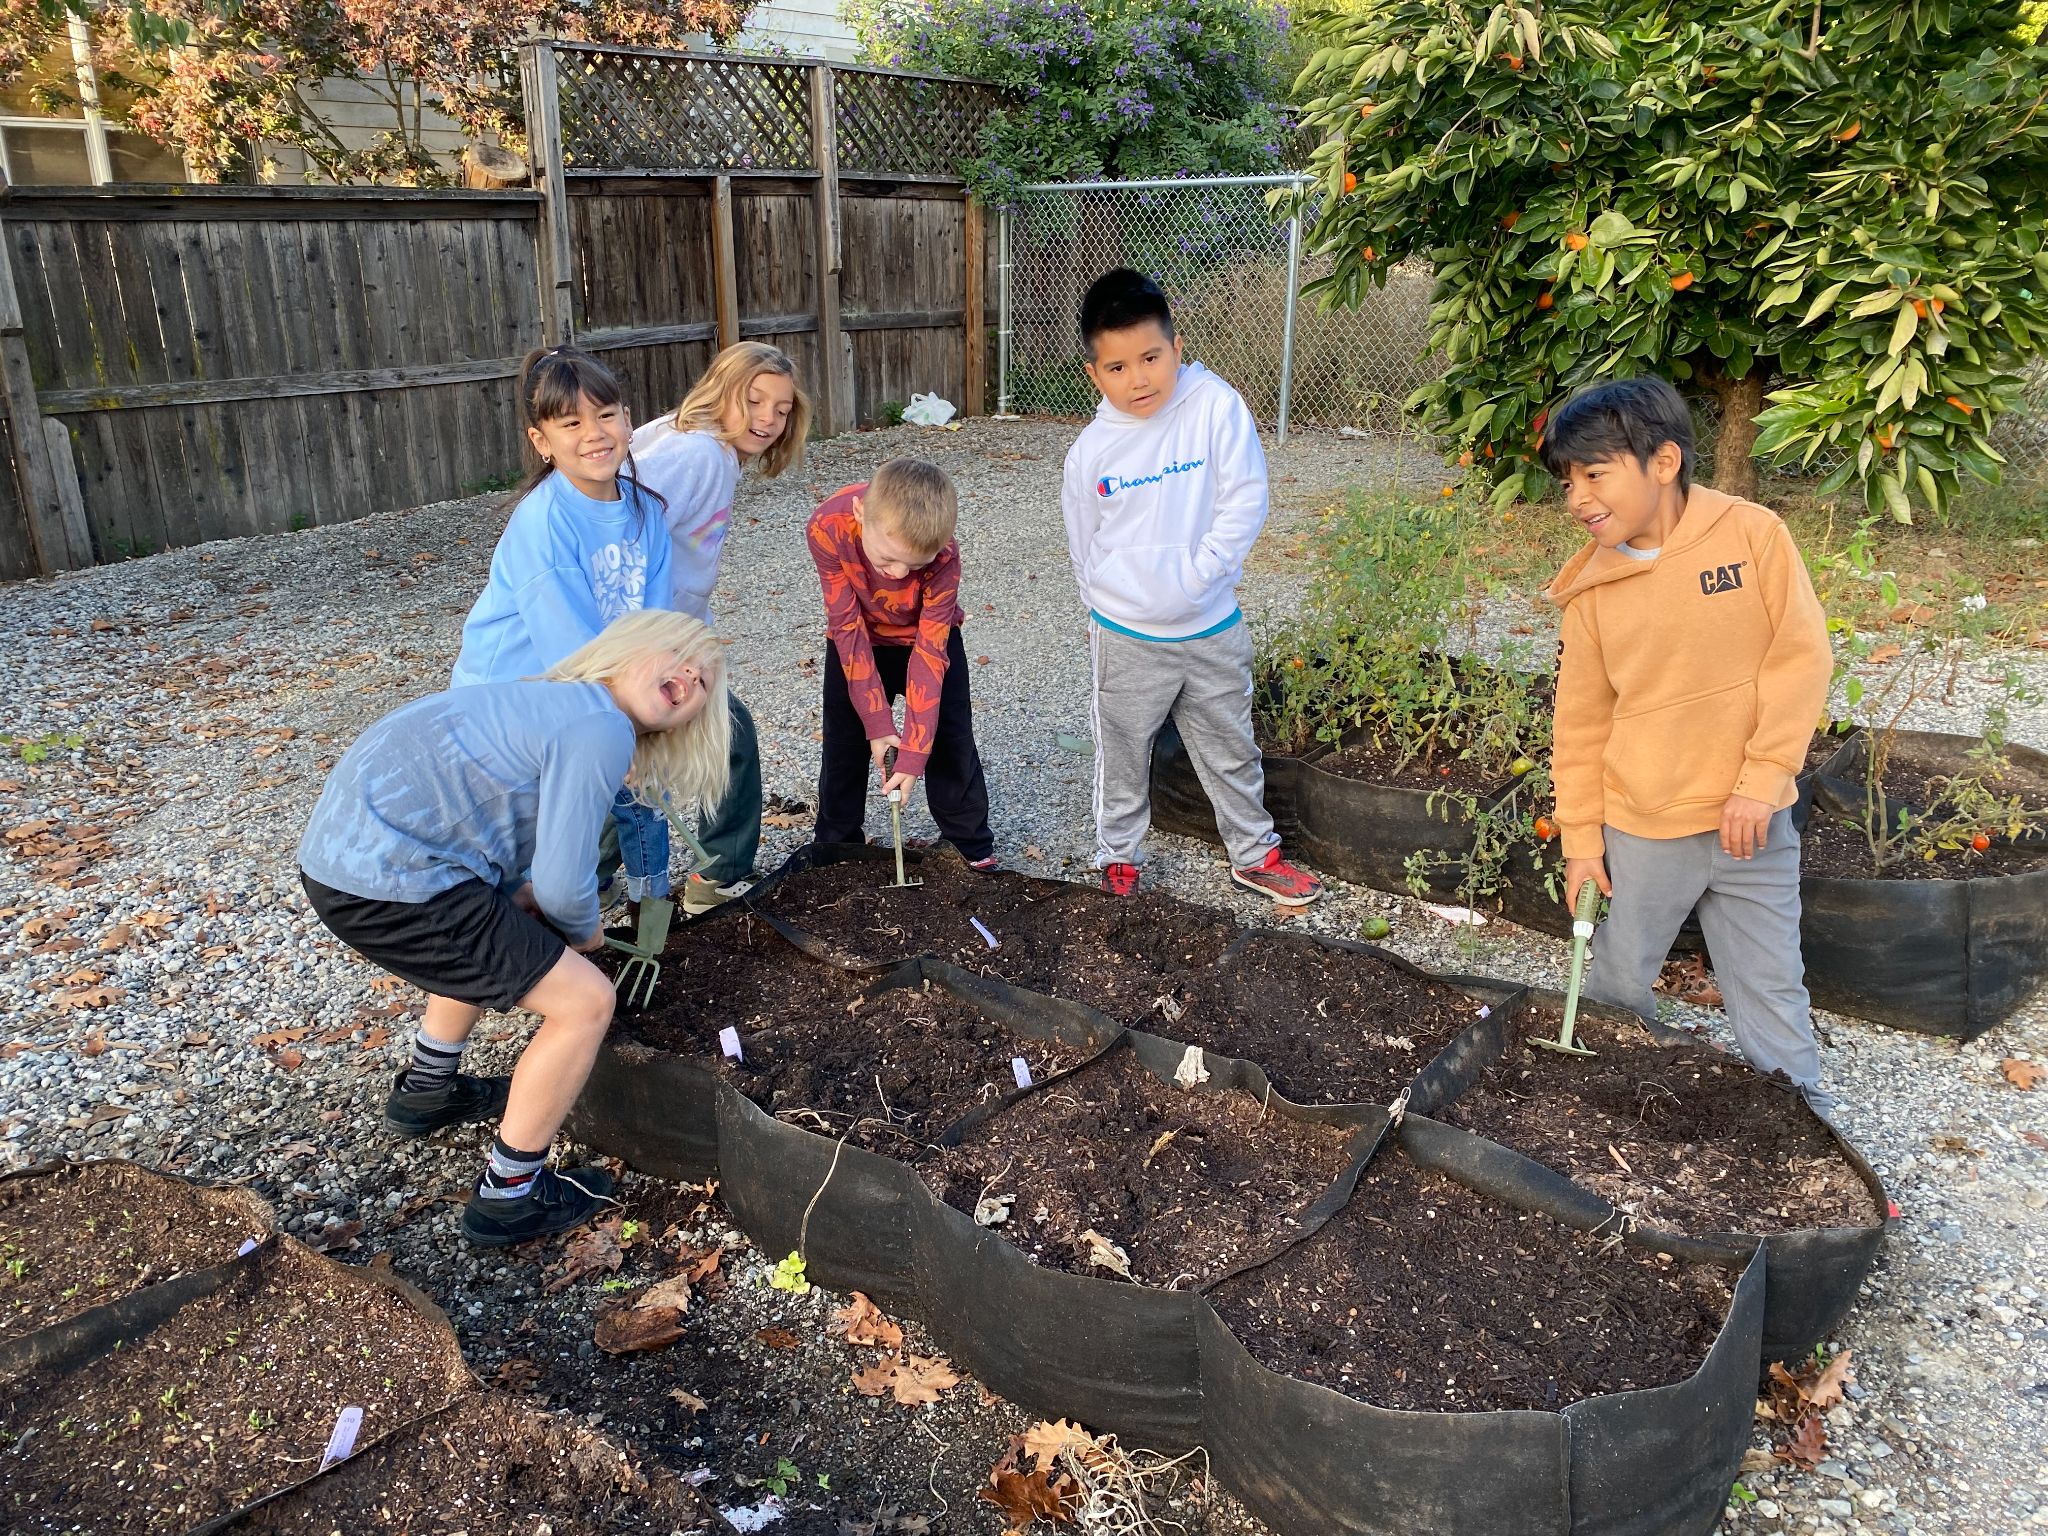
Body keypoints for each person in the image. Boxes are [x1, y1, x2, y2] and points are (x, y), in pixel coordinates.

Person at [299, 610, 734, 1245]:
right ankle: (509, 1196)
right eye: (678, 656)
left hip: (341, 862)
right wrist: (585, 939)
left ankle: (427, 1092)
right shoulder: (601, 728)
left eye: (705, 682)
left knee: (497, 921)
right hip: (392, 879)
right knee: (587, 1002)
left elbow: (492, 838)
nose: (690, 675)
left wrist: (519, 899)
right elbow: (564, 885)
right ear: (624, 652)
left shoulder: (550, 703)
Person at [1543, 375, 1836, 1118]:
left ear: (1664, 462)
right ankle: (1600, 1111)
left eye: (1595, 474)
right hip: (1644, 830)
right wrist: (1582, 842)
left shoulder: (1752, 536)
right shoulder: (1592, 594)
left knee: (1771, 986)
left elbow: (1800, 660)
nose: (1578, 498)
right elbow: (1579, 725)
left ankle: (1803, 1127)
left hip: (1752, 827)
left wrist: (1763, 781)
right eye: (1569, 482)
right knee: (1618, 980)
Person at [1060, 267, 1321, 906]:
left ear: (1176, 347)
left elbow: (1244, 499)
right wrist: (1106, 603)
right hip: (1127, 635)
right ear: (1095, 374)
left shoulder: (1214, 407)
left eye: (1151, 357)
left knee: (1231, 745)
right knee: (1123, 751)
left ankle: (1254, 855)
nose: (1139, 378)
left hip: (1210, 624)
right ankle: (1119, 855)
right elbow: (1084, 542)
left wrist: (1200, 575)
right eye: (1117, 367)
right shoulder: (1091, 452)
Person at [450, 346, 676, 912]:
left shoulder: (647, 512)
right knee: (534, 827)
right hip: (513, 699)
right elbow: (568, 649)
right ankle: (538, 925)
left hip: (594, 685)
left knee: (647, 785)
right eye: (571, 423)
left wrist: (651, 706)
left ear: (628, 420)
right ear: (542, 441)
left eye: (606, 415)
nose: (594, 433)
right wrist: (619, 725)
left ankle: (653, 914)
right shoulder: (543, 522)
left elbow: (656, 623)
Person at [631, 342, 811, 914]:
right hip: (651, 636)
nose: (768, 418)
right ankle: (717, 874)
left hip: (664, 631)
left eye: (781, 409)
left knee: (621, 757)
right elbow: (625, 521)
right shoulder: (699, 455)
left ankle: (597, 875)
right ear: (721, 389)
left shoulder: (690, 440)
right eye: (753, 400)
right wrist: (650, 635)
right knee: (727, 737)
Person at [806, 457, 996, 866]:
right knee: (844, 742)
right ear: (861, 514)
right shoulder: (828, 526)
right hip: (857, 636)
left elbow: (930, 653)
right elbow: (846, 625)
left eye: (915, 565)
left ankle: (969, 847)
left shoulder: (945, 555)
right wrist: (877, 724)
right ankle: (837, 845)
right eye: (886, 560)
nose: (897, 574)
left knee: (950, 738)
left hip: (927, 638)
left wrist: (913, 756)